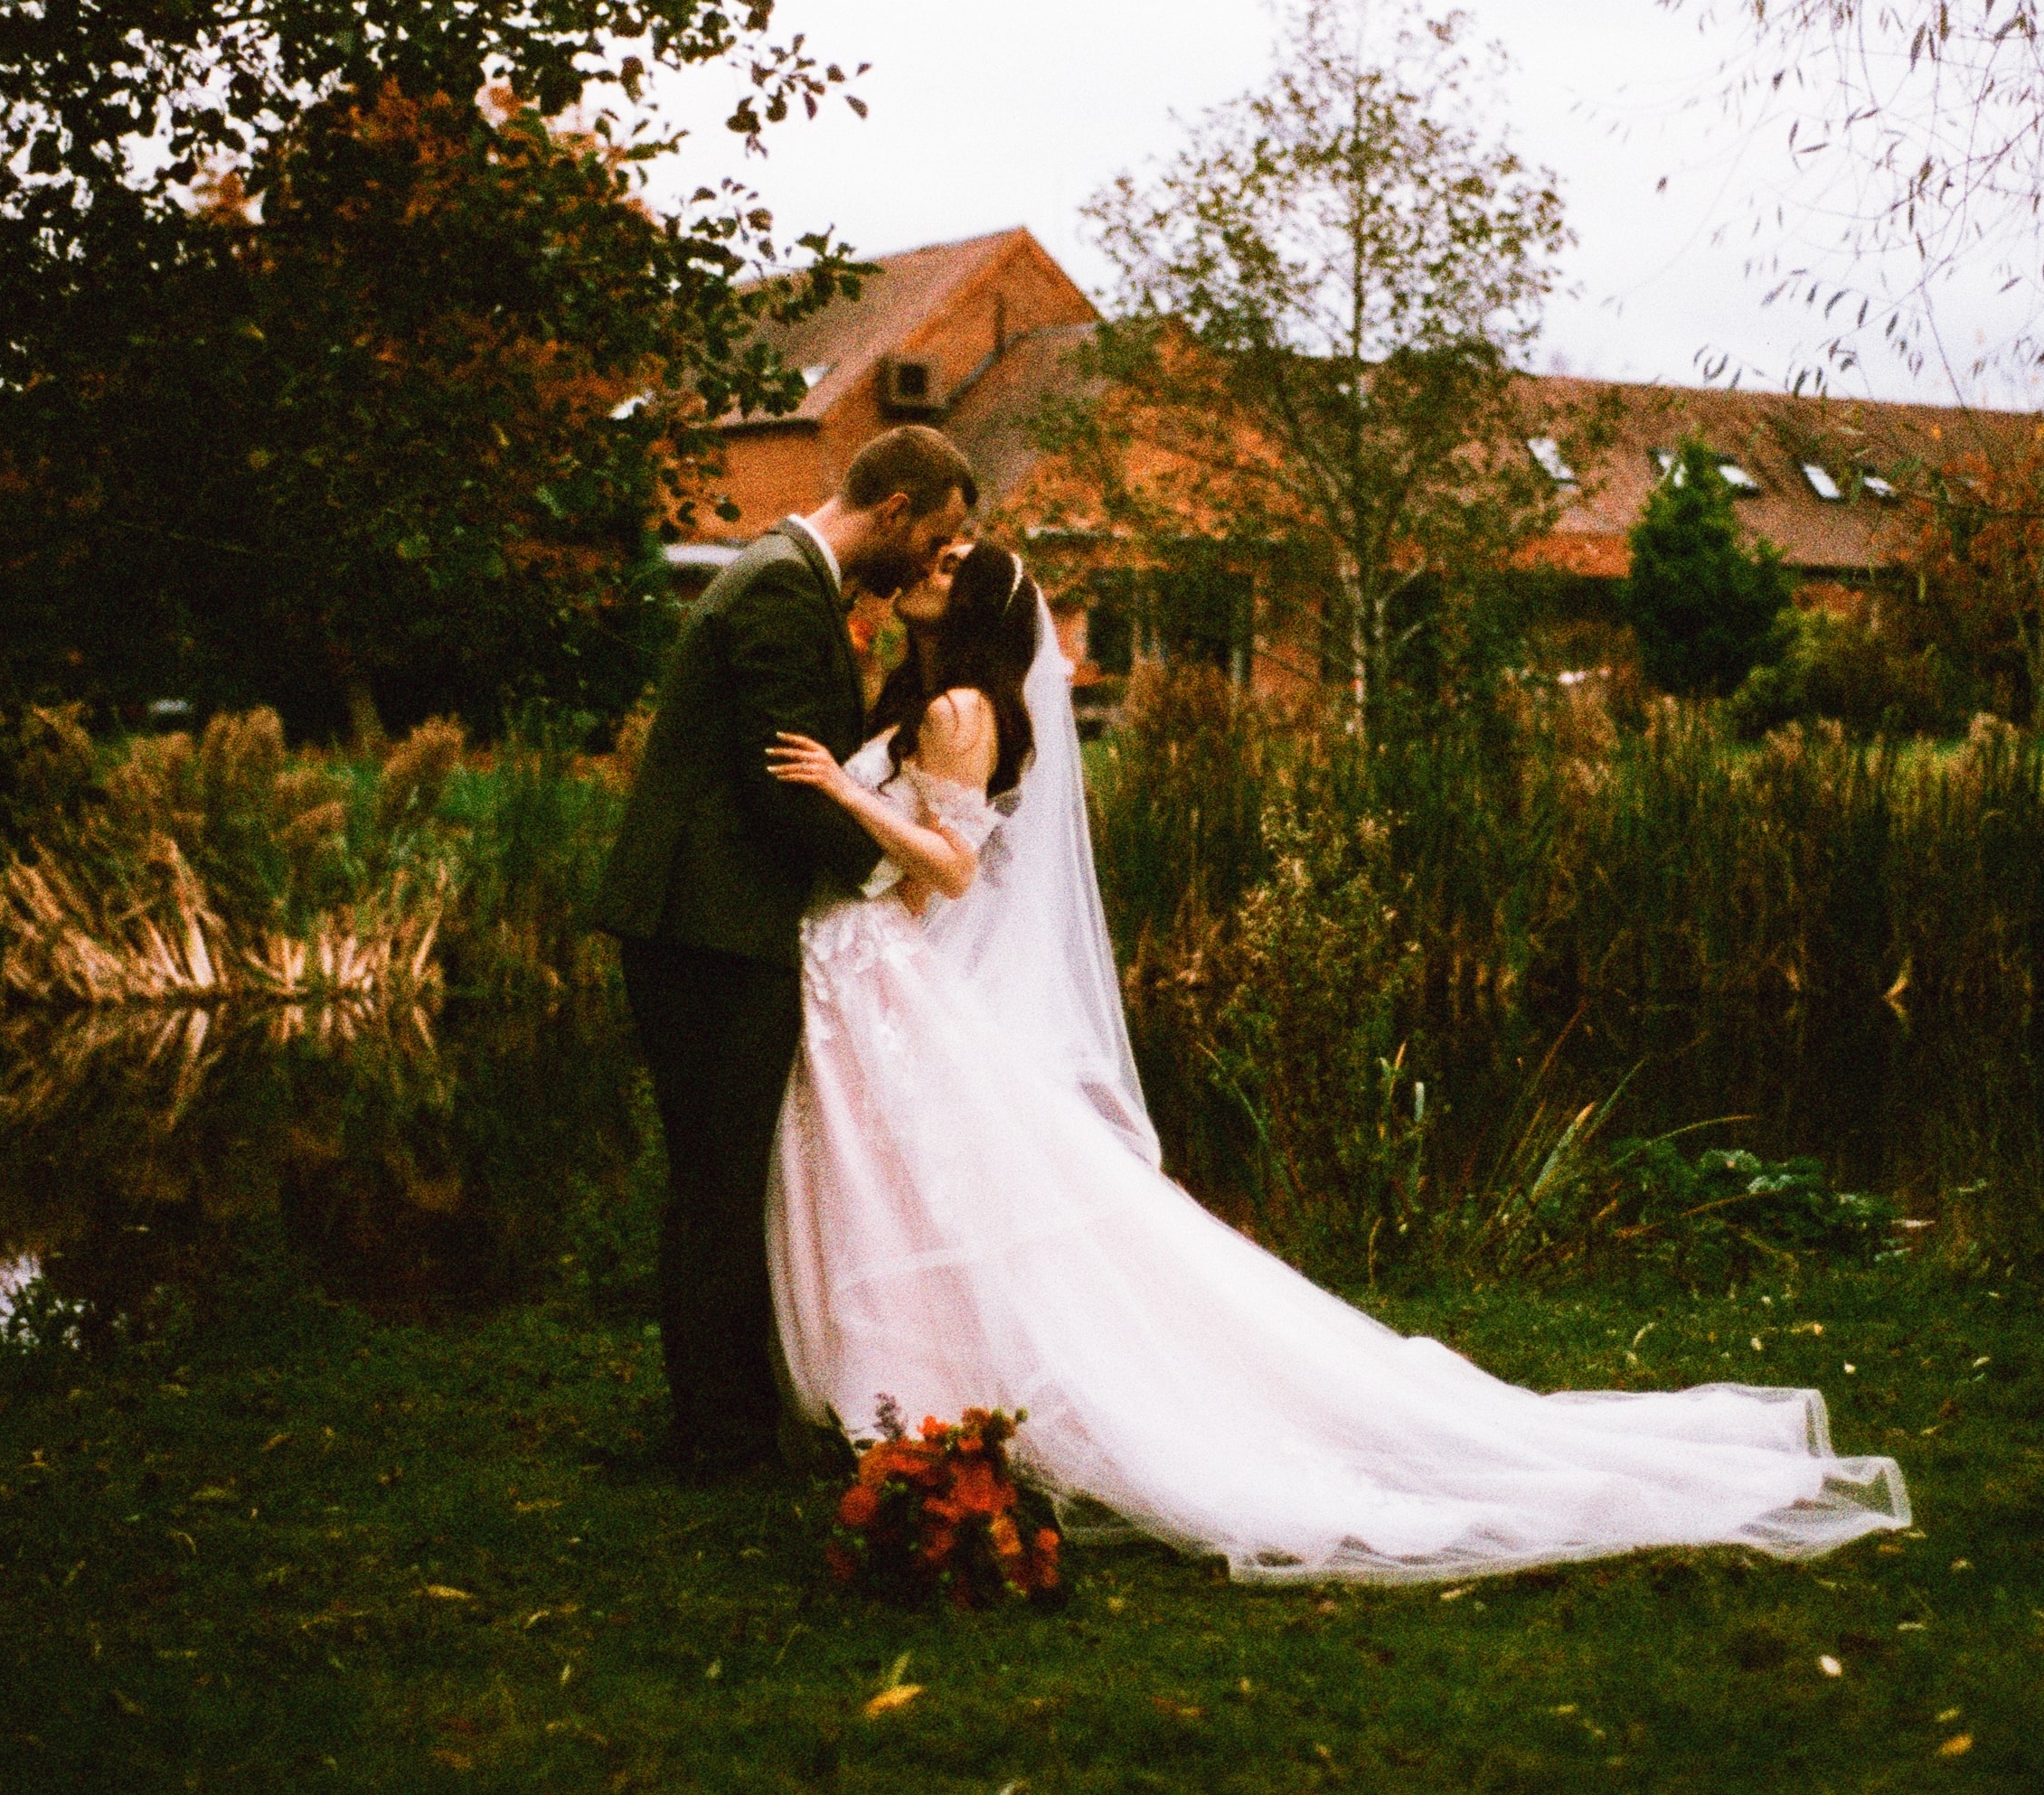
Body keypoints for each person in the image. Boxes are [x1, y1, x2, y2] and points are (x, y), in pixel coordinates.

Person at [762, 541, 1913, 1583]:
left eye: (954, 560)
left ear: (970, 610)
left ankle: (924, 1413)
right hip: (873, 969)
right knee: (903, 1186)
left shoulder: (961, 705)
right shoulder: (924, 693)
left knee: (929, 1189)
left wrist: (836, 798)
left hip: (883, 966)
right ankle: (903, 1409)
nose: (931, 562)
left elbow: (951, 868)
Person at [608, 425, 978, 1480]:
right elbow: (783, 784)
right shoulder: (778, 589)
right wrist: (890, 883)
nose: (928, 560)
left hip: (711, 920)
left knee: (720, 1178)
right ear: (898, 510)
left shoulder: (786, 577)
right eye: (935, 535)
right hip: (708, 925)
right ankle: (718, 1437)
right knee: (720, 1179)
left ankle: (723, 1417)